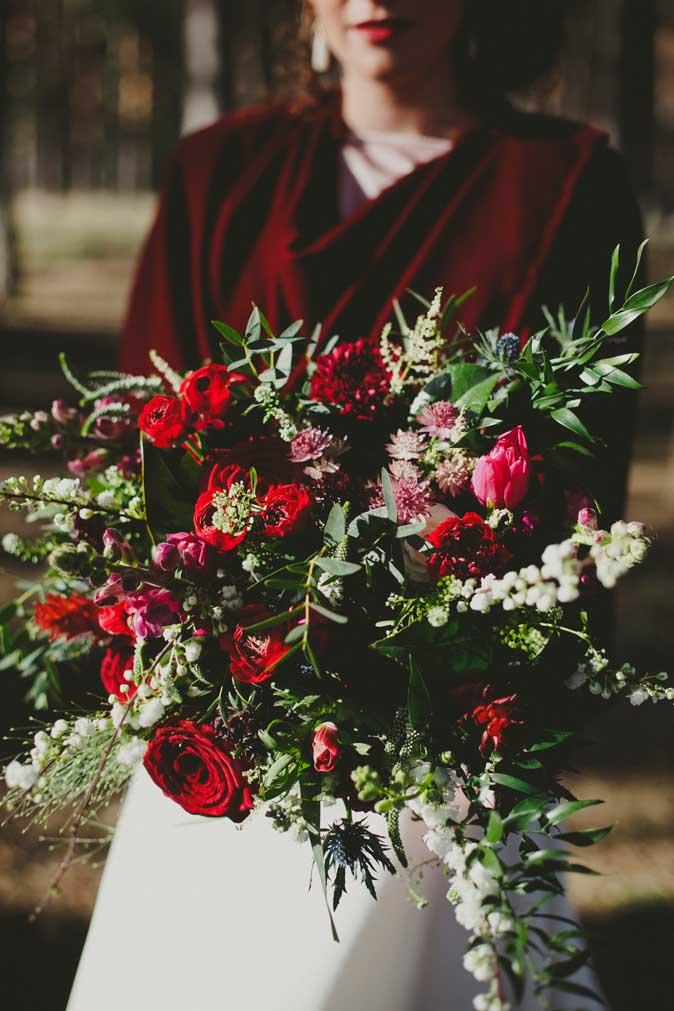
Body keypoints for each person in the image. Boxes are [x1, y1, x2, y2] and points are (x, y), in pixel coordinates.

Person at [70, 3, 642, 1008]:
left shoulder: (556, 180)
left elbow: (580, 461)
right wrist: (177, 626)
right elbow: (145, 434)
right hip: (236, 691)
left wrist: (504, 659)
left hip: (446, 690)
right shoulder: (223, 170)